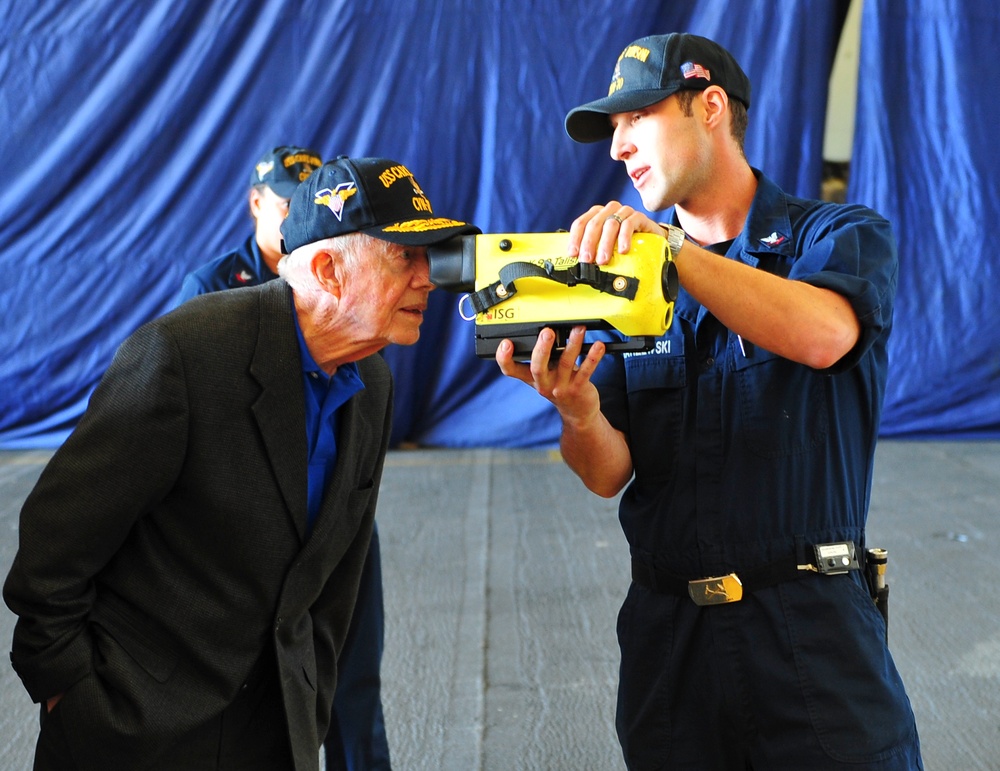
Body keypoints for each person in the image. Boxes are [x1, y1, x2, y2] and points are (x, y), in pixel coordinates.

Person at [496, 33, 923, 769]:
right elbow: (605, 472)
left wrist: (671, 253)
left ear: (712, 107)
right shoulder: (627, 285)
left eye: (636, 117)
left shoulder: (838, 236)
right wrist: (575, 410)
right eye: (612, 129)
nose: (617, 147)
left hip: (813, 643)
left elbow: (822, 333)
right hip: (672, 652)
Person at [4, 155, 479, 771]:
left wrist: (308, 708)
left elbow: (333, 585)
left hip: (272, 736)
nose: (428, 278)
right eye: (403, 256)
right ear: (329, 270)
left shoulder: (374, 385)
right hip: (135, 735)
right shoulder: (184, 354)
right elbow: (52, 548)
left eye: (429, 256)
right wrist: (74, 697)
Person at [175, 145, 393, 771]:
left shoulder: (354, 280)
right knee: (248, 698)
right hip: (249, 531)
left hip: (337, 518)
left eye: (310, 201)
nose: (296, 212)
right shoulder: (213, 290)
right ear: (255, 203)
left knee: (354, 689)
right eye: (285, 202)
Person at [175, 145, 322, 303]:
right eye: (288, 204)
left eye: (312, 204)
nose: (303, 216)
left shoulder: (333, 278)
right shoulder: (211, 287)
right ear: (257, 203)